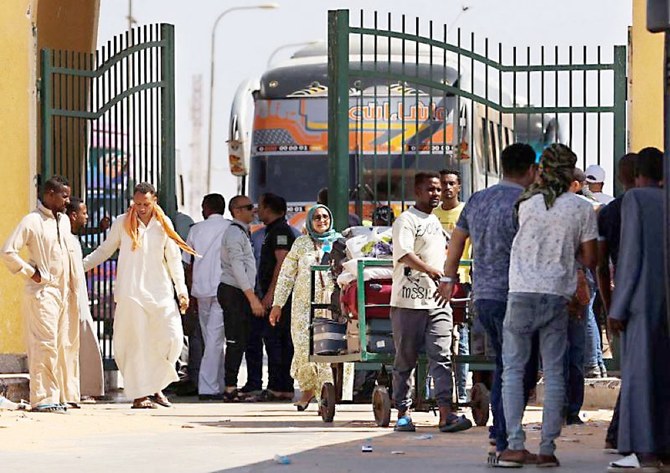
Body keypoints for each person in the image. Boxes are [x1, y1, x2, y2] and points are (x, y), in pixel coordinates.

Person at [438, 143, 540, 461]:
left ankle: (501, 438)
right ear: (531, 170)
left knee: (504, 366)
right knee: (519, 369)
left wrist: (448, 279)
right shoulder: (528, 202)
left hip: (484, 296)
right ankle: (505, 438)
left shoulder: (478, 199)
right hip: (518, 296)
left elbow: (456, 242)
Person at [499, 144, 598, 467]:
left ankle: (514, 445)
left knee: (513, 371)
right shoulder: (581, 207)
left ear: (542, 168)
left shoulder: (524, 202)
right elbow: (590, 258)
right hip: (557, 295)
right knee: (554, 372)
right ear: (571, 172)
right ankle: (547, 449)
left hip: (520, 293)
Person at [83, 182, 194, 409]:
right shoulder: (122, 222)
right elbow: (105, 250)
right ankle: (140, 394)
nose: (142, 208)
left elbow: (173, 260)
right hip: (131, 292)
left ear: (155, 202)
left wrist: (181, 290)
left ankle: (156, 387)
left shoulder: (164, 224)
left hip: (160, 292)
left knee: (171, 338)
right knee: (135, 344)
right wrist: (80, 266)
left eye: (146, 204)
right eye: (138, 204)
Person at [390, 171, 472, 433]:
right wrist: (430, 270)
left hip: (437, 303)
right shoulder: (406, 220)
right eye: (431, 189)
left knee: (442, 357)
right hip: (408, 303)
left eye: (438, 189)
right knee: (406, 360)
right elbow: (404, 254)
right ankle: (403, 413)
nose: (436, 193)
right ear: (417, 192)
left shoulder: (436, 222)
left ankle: (446, 413)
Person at [607, 147, 669, 472]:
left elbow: (630, 256)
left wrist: (617, 306)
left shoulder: (636, 200)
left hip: (643, 301)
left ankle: (645, 450)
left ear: (635, 174)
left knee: (641, 377)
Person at [1, 175, 80, 413]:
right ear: (49, 195)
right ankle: (43, 398)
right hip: (42, 292)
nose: (67, 201)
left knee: (61, 344)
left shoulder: (64, 221)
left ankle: (59, 395)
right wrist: (30, 272)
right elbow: (8, 251)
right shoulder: (31, 221)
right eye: (63, 196)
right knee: (44, 345)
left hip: (64, 293)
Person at [269, 204, 342, 411]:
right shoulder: (301, 243)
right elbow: (286, 276)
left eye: (325, 217)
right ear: (310, 221)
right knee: (303, 348)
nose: (321, 221)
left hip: (330, 304)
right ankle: (308, 389)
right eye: (317, 217)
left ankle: (325, 397)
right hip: (302, 306)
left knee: (328, 348)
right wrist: (277, 304)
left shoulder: (339, 242)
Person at [596, 153, 638, 452]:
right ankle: (621, 433)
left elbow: (599, 266)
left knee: (632, 369)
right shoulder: (654, 205)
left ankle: (618, 432)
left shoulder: (611, 211)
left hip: (622, 295)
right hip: (647, 297)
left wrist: (610, 306)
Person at [182, 194, 230, 401]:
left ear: (206, 208)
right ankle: (211, 385)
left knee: (211, 337)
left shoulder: (195, 229)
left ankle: (211, 384)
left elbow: (187, 262)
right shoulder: (231, 227)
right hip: (223, 288)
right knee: (215, 338)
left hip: (201, 290)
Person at [218, 195, 264, 402]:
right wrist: (251, 297)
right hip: (234, 291)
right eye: (248, 208)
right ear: (236, 211)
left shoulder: (241, 232)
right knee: (235, 340)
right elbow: (237, 267)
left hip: (238, 291)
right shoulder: (234, 234)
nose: (253, 211)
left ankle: (233, 385)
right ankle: (229, 387)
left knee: (242, 339)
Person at [252, 193, 296, 401]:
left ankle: (279, 386)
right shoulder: (272, 231)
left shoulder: (280, 231)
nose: (257, 211)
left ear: (269, 209)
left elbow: (282, 263)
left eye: (260, 206)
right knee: (276, 340)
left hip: (280, 299)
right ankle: (279, 385)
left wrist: (271, 295)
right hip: (278, 296)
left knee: (277, 340)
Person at [433, 168, 471, 405]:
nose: (447, 189)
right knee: (433, 336)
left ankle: (463, 390)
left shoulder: (466, 213)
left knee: (462, 337)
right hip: (434, 280)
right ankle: (429, 392)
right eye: (443, 184)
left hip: (461, 280)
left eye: (451, 184)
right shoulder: (431, 214)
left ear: (458, 187)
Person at [66, 197, 105, 402]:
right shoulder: (63, 236)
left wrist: (99, 230)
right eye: (84, 213)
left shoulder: (71, 237)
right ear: (74, 215)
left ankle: (85, 387)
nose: (86, 216)